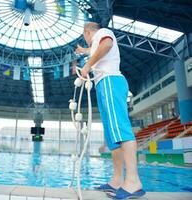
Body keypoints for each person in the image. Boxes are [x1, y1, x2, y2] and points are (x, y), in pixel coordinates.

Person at [75, 22, 145, 199]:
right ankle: (117, 180)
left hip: (110, 81)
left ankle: (133, 182)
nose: (87, 41)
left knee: (120, 130)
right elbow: (95, 50)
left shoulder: (102, 33)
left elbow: (106, 44)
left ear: (87, 32)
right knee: (113, 138)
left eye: (85, 37)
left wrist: (87, 66)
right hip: (103, 84)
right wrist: (83, 51)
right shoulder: (94, 43)